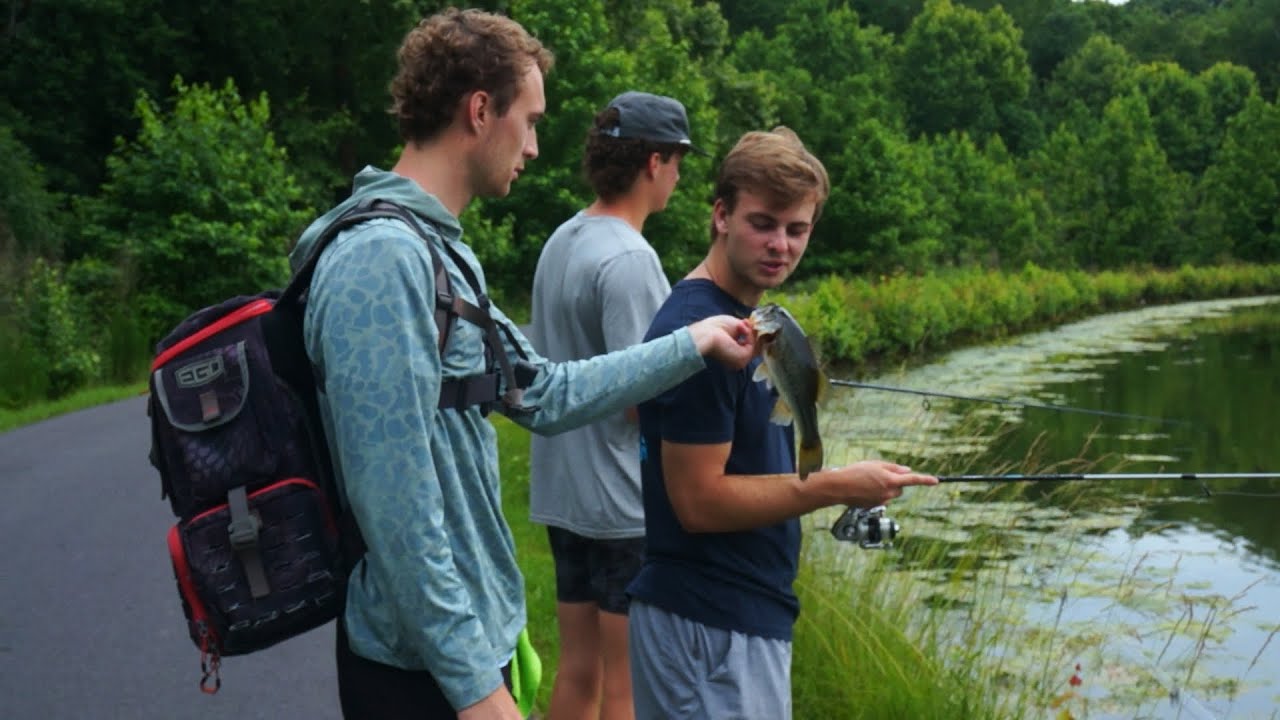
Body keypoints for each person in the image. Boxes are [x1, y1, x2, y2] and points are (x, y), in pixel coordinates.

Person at [288, 9, 756, 720]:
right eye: (530, 121)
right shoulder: (381, 261)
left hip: (467, 648)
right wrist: (478, 688)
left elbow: (545, 392)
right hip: (421, 672)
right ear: (480, 111)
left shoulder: (439, 249)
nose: (535, 147)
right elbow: (397, 512)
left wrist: (692, 344)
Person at [626, 127, 939, 720]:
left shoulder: (746, 320)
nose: (781, 245)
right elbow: (697, 502)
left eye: (797, 229)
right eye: (763, 223)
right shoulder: (702, 331)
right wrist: (837, 486)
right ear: (721, 215)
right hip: (708, 628)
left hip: (737, 618)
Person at [529, 90, 706, 720]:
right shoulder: (630, 258)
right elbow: (641, 395)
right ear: (654, 162)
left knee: (578, 676)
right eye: (679, 162)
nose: (680, 176)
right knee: (627, 691)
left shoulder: (564, 238)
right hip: (622, 508)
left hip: (564, 496)